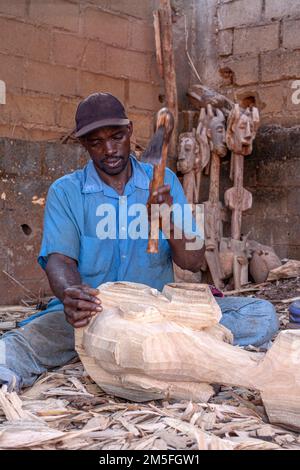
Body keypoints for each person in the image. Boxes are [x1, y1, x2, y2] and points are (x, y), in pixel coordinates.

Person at [0, 93, 278, 391]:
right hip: (92, 317)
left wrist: (167, 218)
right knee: (19, 345)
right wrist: (71, 294)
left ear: (130, 130)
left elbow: (193, 261)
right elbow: (59, 259)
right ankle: (161, 357)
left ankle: (140, 355)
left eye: (116, 137)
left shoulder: (164, 181)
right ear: (83, 144)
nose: (109, 149)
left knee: (259, 315)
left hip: (157, 316)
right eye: (96, 142)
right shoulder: (66, 192)